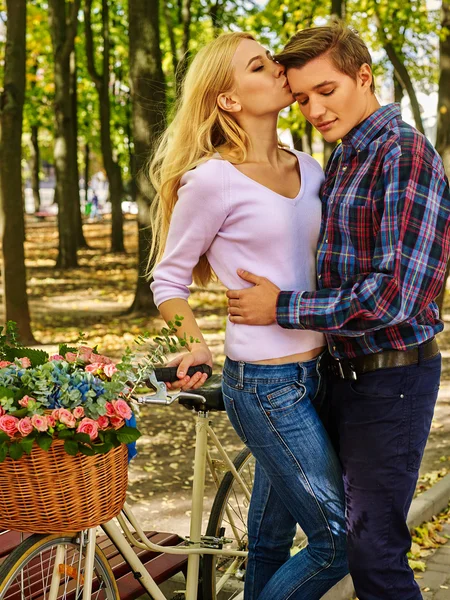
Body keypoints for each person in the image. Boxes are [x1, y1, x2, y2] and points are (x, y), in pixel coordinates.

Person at [226, 22, 450, 600]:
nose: (315, 109)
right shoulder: (346, 155)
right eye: (301, 98)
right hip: (333, 372)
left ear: (363, 76)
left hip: (391, 378)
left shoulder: (403, 154)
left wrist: (283, 308)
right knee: (278, 526)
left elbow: (396, 295)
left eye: (327, 90)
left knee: (373, 552)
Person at [149, 32, 348, 600]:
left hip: (320, 375)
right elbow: (169, 277)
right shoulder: (213, 180)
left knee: (267, 542)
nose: (279, 70)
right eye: (260, 67)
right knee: (339, 539)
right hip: (265, 385)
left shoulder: (311, 170)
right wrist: (195, 341)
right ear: (230, 100)